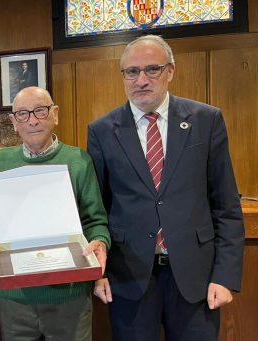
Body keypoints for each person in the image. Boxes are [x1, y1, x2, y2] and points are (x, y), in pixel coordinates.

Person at [87, 35, 245, 341]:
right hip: (129, 277)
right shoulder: (102, 130)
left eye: (152, 70)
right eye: (132, 72)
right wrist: (99, 273)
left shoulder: (206, 120)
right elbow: (97, 210)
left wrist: (225, 276)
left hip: (196, 278)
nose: (141, 80)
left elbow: (226, 205)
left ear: (170, 71)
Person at [0, 86, 110, 341]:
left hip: (69, 296)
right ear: (14, 122)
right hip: (15, 298)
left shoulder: (79, 161)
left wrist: (100, 241)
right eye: (23, 114)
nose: (33, 120)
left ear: (55, 114)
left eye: (40, 111)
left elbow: (96, 220)